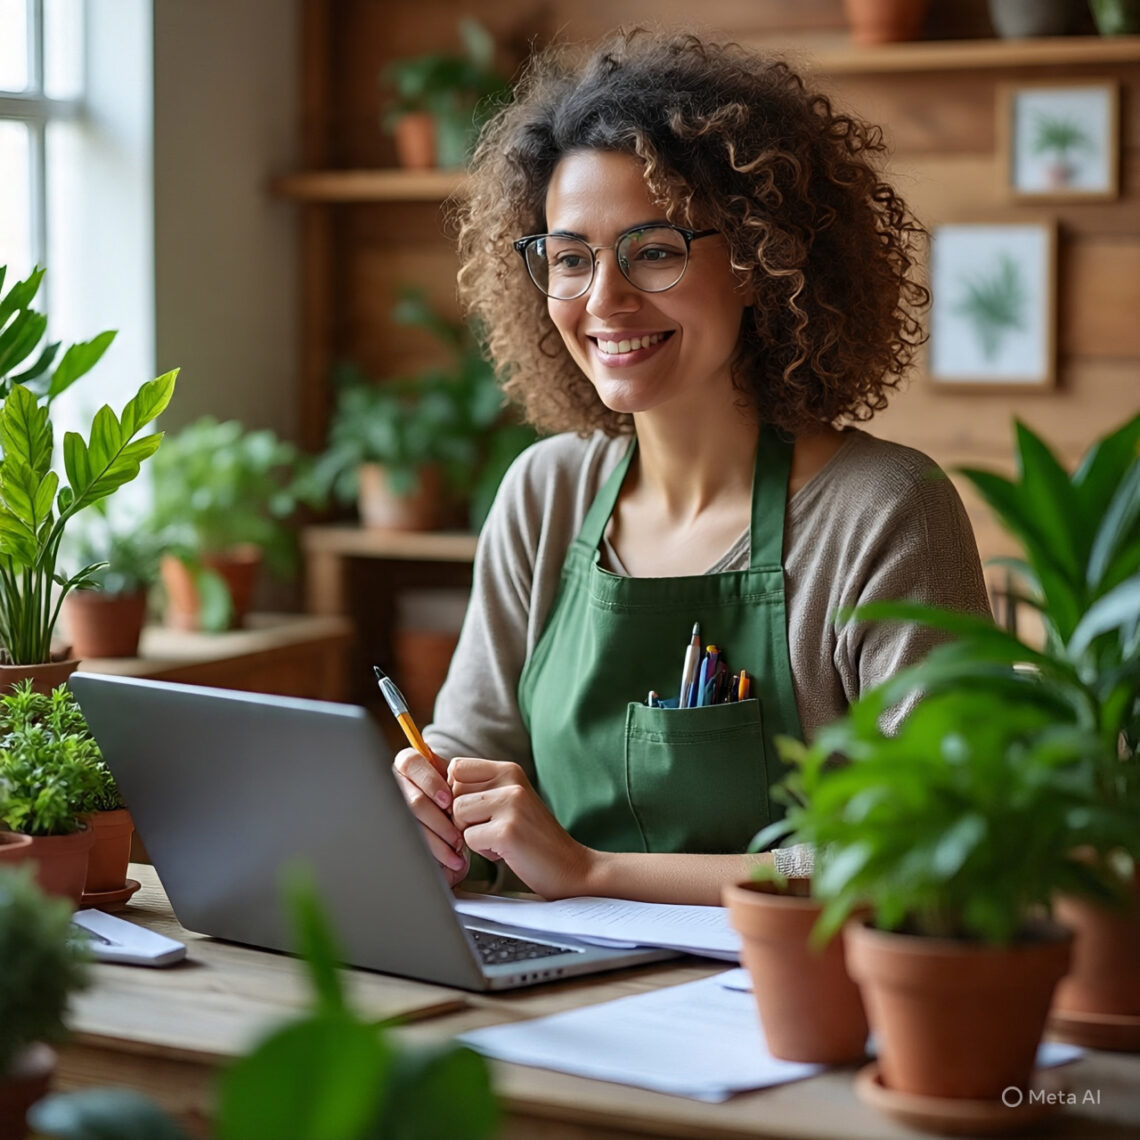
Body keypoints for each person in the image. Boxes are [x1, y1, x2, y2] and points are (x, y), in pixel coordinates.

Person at [393, 29, 990, 906]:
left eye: (656, 249)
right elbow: (472, 754)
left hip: (792, 1005)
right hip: (542, 995)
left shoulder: (884, 512)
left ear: (758, 257)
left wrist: (596, 872)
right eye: (569, 258)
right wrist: (435, 809)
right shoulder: (544, 494)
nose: (604, 299)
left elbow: (928, 844)